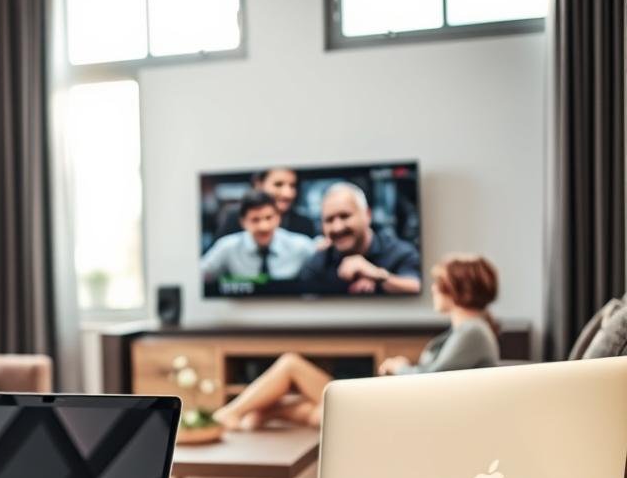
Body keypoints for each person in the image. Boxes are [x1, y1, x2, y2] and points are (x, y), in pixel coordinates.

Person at [213, 254, 500, 430]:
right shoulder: (468, 331)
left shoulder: (473, 332)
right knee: (316, 411)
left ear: (459, 288)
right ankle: (255, 414)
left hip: (406, 415)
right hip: (404, 409)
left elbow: (434, 380)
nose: (434, 289)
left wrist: (401, 367)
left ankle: (232, 412)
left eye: (440, 282)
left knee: (291, 365)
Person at [300, 182, 421, 295]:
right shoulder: (318, 263)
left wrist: (378, 276)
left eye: (345, 216)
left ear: (367, 215)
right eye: (329, 220)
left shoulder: (400, 253)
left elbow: (418, 287)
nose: (337, 228)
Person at [201, 190, 318, 282]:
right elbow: (198, 276)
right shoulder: (227, 246)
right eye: (255, 220)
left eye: (269, 218)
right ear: (243, 222)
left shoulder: (301, 246)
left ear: (278, 218)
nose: (264, 226)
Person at [214, 167, 314, 239]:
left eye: (292, 186)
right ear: (259, 184)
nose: (288, 194)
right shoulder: (234, 218)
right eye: (278, 184)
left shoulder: (304, 224)